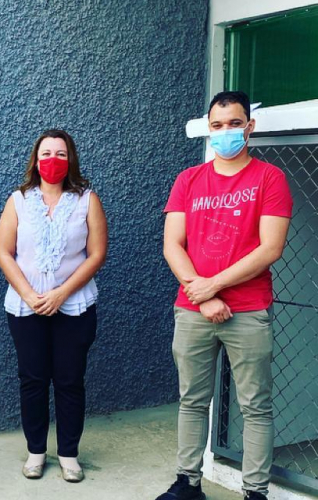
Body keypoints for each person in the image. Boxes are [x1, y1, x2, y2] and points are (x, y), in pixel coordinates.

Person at [157, 91, 292, 500]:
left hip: (248, 309)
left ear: (249, 127)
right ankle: (188, 483)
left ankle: (255, 492)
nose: (225, 132)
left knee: (255, 406)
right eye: (217, 125)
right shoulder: (188, 180)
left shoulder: (269, 178)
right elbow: (172, 245)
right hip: (193, 309)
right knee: (192, 401)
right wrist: (202, 295)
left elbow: (270, 247)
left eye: (234, 123)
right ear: (208, 128)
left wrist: (212, 286)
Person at [0, 129, 107, 482]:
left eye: (61, 154)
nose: (53, 160)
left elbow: (97, 254)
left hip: (74, 307)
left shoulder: (87, 200)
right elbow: (3, 252)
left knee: (70, 380)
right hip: (25, 307)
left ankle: (69, 454)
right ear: (35, 159)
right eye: (46, 154)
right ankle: (36, 452)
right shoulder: (18, 200)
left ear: (70, 159)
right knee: (32, 380)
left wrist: (62, 293)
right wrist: (29, 294)